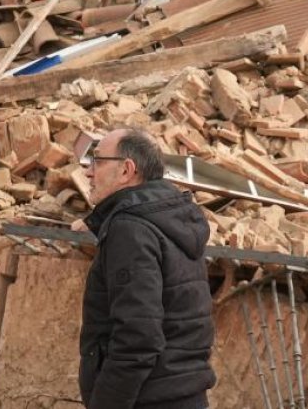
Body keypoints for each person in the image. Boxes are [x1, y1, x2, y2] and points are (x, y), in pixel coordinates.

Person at [79, 128, 216, 409]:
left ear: (127, 170)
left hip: (149, 399)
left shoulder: (131, 229)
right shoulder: (169, 219)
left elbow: (137, 338)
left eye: (97, 161)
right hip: (185, 395)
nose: (88, 172)